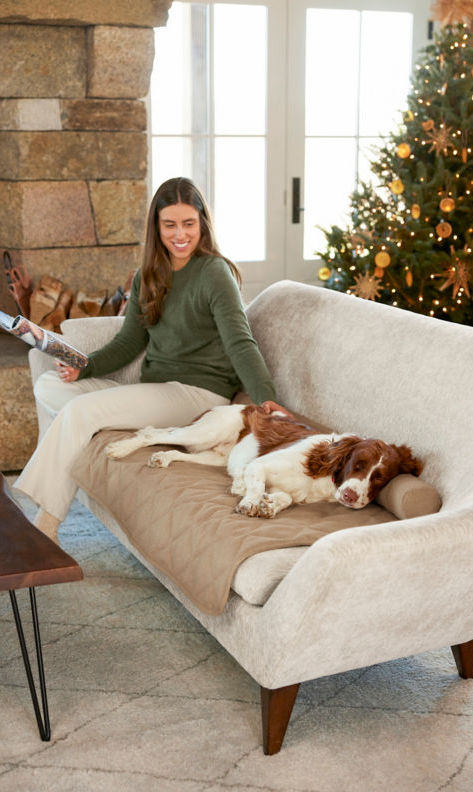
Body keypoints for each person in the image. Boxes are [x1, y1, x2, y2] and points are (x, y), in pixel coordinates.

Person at [15, 177, 282, 540]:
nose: (180, 234)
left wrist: (268, 401)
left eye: (189, 223)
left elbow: (240, 342)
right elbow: (129, 341)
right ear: (157, 227)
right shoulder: (148, 277)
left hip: (198, 395)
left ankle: (45, 527)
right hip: (157, 389)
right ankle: (105, 422)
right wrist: (85, 367)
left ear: (202, 223)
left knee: (80, 412)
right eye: (170, 224)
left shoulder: (215, 273)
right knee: (48, 383)